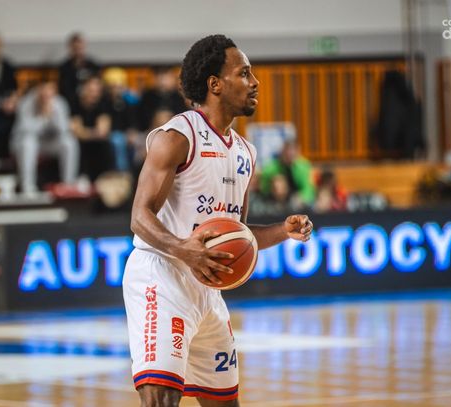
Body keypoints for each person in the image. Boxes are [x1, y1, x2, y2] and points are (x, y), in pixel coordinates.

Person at [124, 34, 313, 407]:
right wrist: (184, 249)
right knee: (161, 400)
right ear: (215, 84)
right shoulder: (177, 137)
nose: (255, 82)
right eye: (244, 73)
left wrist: (282, 230)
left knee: (224, 403)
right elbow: (139, 216)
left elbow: (236, 234)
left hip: (207, 290)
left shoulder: (245, 152)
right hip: (161, 276)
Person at [10, 81, 79, 194]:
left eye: (50, 90)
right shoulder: (26, 102)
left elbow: (63, 129)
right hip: (23, 143)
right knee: (28, 143)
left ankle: (68, 184)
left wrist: (52, 115)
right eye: (43, 90)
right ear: (38, 90)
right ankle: (27, 186)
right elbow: (26, 129)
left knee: (69, 142)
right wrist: (44, 117)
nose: (46, 94)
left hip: (49, 143)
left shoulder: (59, 102)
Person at [70, 76, 114, 181]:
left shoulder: (104, 103)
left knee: (106, 143)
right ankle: (79, 178)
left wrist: (85, 132)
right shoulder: (75, 103)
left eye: (97, 91)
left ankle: (105, 178)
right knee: (74, 143)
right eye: (91, 90)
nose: (94, 94)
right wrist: (92, 133)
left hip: (98, 143)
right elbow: (76, 132)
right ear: (83, 89)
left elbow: (103, 131)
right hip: (80, 143)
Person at [260, 139, 315, 209]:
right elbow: (264, 187)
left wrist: (301, 198)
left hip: (296, 200)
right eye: (288, 151)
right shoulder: (271, 168)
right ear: (282, 151)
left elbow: (309, 189)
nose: (290, 154)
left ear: (297, 152)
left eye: (293, 151)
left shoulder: (304, 167)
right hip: (274, 200)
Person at [137, 66, 188, 132]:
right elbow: (141, 119)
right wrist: (155, 119)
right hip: (150, 131)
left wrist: (170, 118)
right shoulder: (148, 96)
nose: (162, 80)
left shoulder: (177, 97)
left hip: (173, 131)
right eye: (158, 75)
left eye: (165, 76)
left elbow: (182, 118)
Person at [58, 33, 99, 109]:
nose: (78, 51)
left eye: (80, 48)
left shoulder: (93, 66)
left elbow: (97, 87)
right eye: (75, 48)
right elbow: (63, 89)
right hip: (71, 105)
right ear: (70, 48)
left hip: (92, 104)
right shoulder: (64, 68)